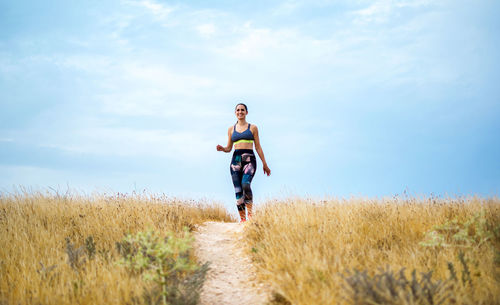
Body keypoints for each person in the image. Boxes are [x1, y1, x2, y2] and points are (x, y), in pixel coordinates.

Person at [216, 103, 271, 222]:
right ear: (235, 112)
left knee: (246, 184)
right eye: (238, 110)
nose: (240, 112)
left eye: (242, 110)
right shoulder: (231, 129)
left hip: (249, 159)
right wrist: (223, 149)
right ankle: (242, 219)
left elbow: (258, 147)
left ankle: (250, 215)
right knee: (238, 190)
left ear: (246, 112)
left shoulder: (253, 128)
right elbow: (229, 148)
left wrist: (265, 164)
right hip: (235, 160)